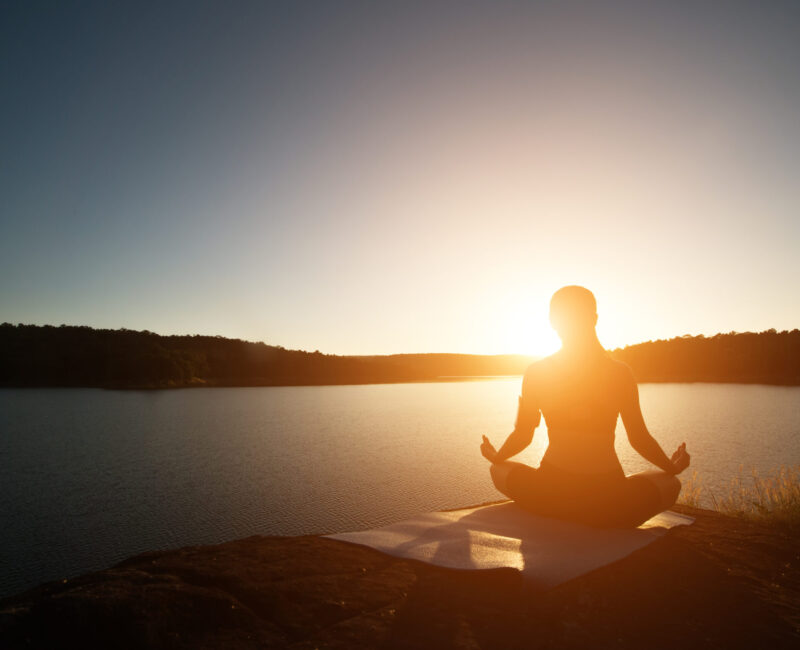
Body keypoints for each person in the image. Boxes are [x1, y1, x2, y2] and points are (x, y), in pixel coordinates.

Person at [480, 286, 690, 528]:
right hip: (610, 503)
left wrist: (497, 456)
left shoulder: (537, 372)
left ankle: (563, 510)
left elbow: (523, 435)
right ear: (594, 319)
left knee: (498, 470)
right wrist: (671, 467)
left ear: (552, 322)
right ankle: (599, 514)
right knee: (671, 484)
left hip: (549, 495)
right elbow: (639, 438)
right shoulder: (620, 373)